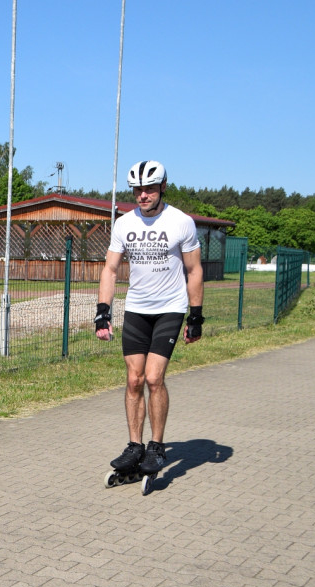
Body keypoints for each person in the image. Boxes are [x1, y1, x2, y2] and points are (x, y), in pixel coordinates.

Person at [95, 160, 204, 476]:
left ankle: (156, 446)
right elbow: (110, 269)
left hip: (170, 307)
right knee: (133, 379)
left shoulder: (181, 222)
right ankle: (134, 446)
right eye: (138, 190)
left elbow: (194, 270)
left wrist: (195, 316)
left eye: (149, 189)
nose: (143, 195)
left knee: (154, 378)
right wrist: (103, 314)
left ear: (162, 187)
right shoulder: (124, 224)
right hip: (137, 309)